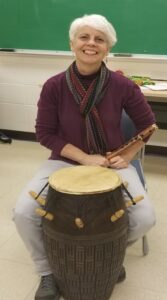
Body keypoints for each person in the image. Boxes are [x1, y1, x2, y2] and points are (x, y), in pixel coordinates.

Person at [13, 14, 156, 300]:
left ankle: (110, 253)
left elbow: (148, 124)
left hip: (111, 160)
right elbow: (45, 134)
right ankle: (46, 272)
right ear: (72, 43)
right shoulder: (54, 86)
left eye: (99, 39)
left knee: (144, 218)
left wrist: (127, 154)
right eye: (84, 37)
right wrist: (84, 158)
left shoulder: (123, 86)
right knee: (23, 214)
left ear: (107, 48)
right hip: (64, 160)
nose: (91, 43)